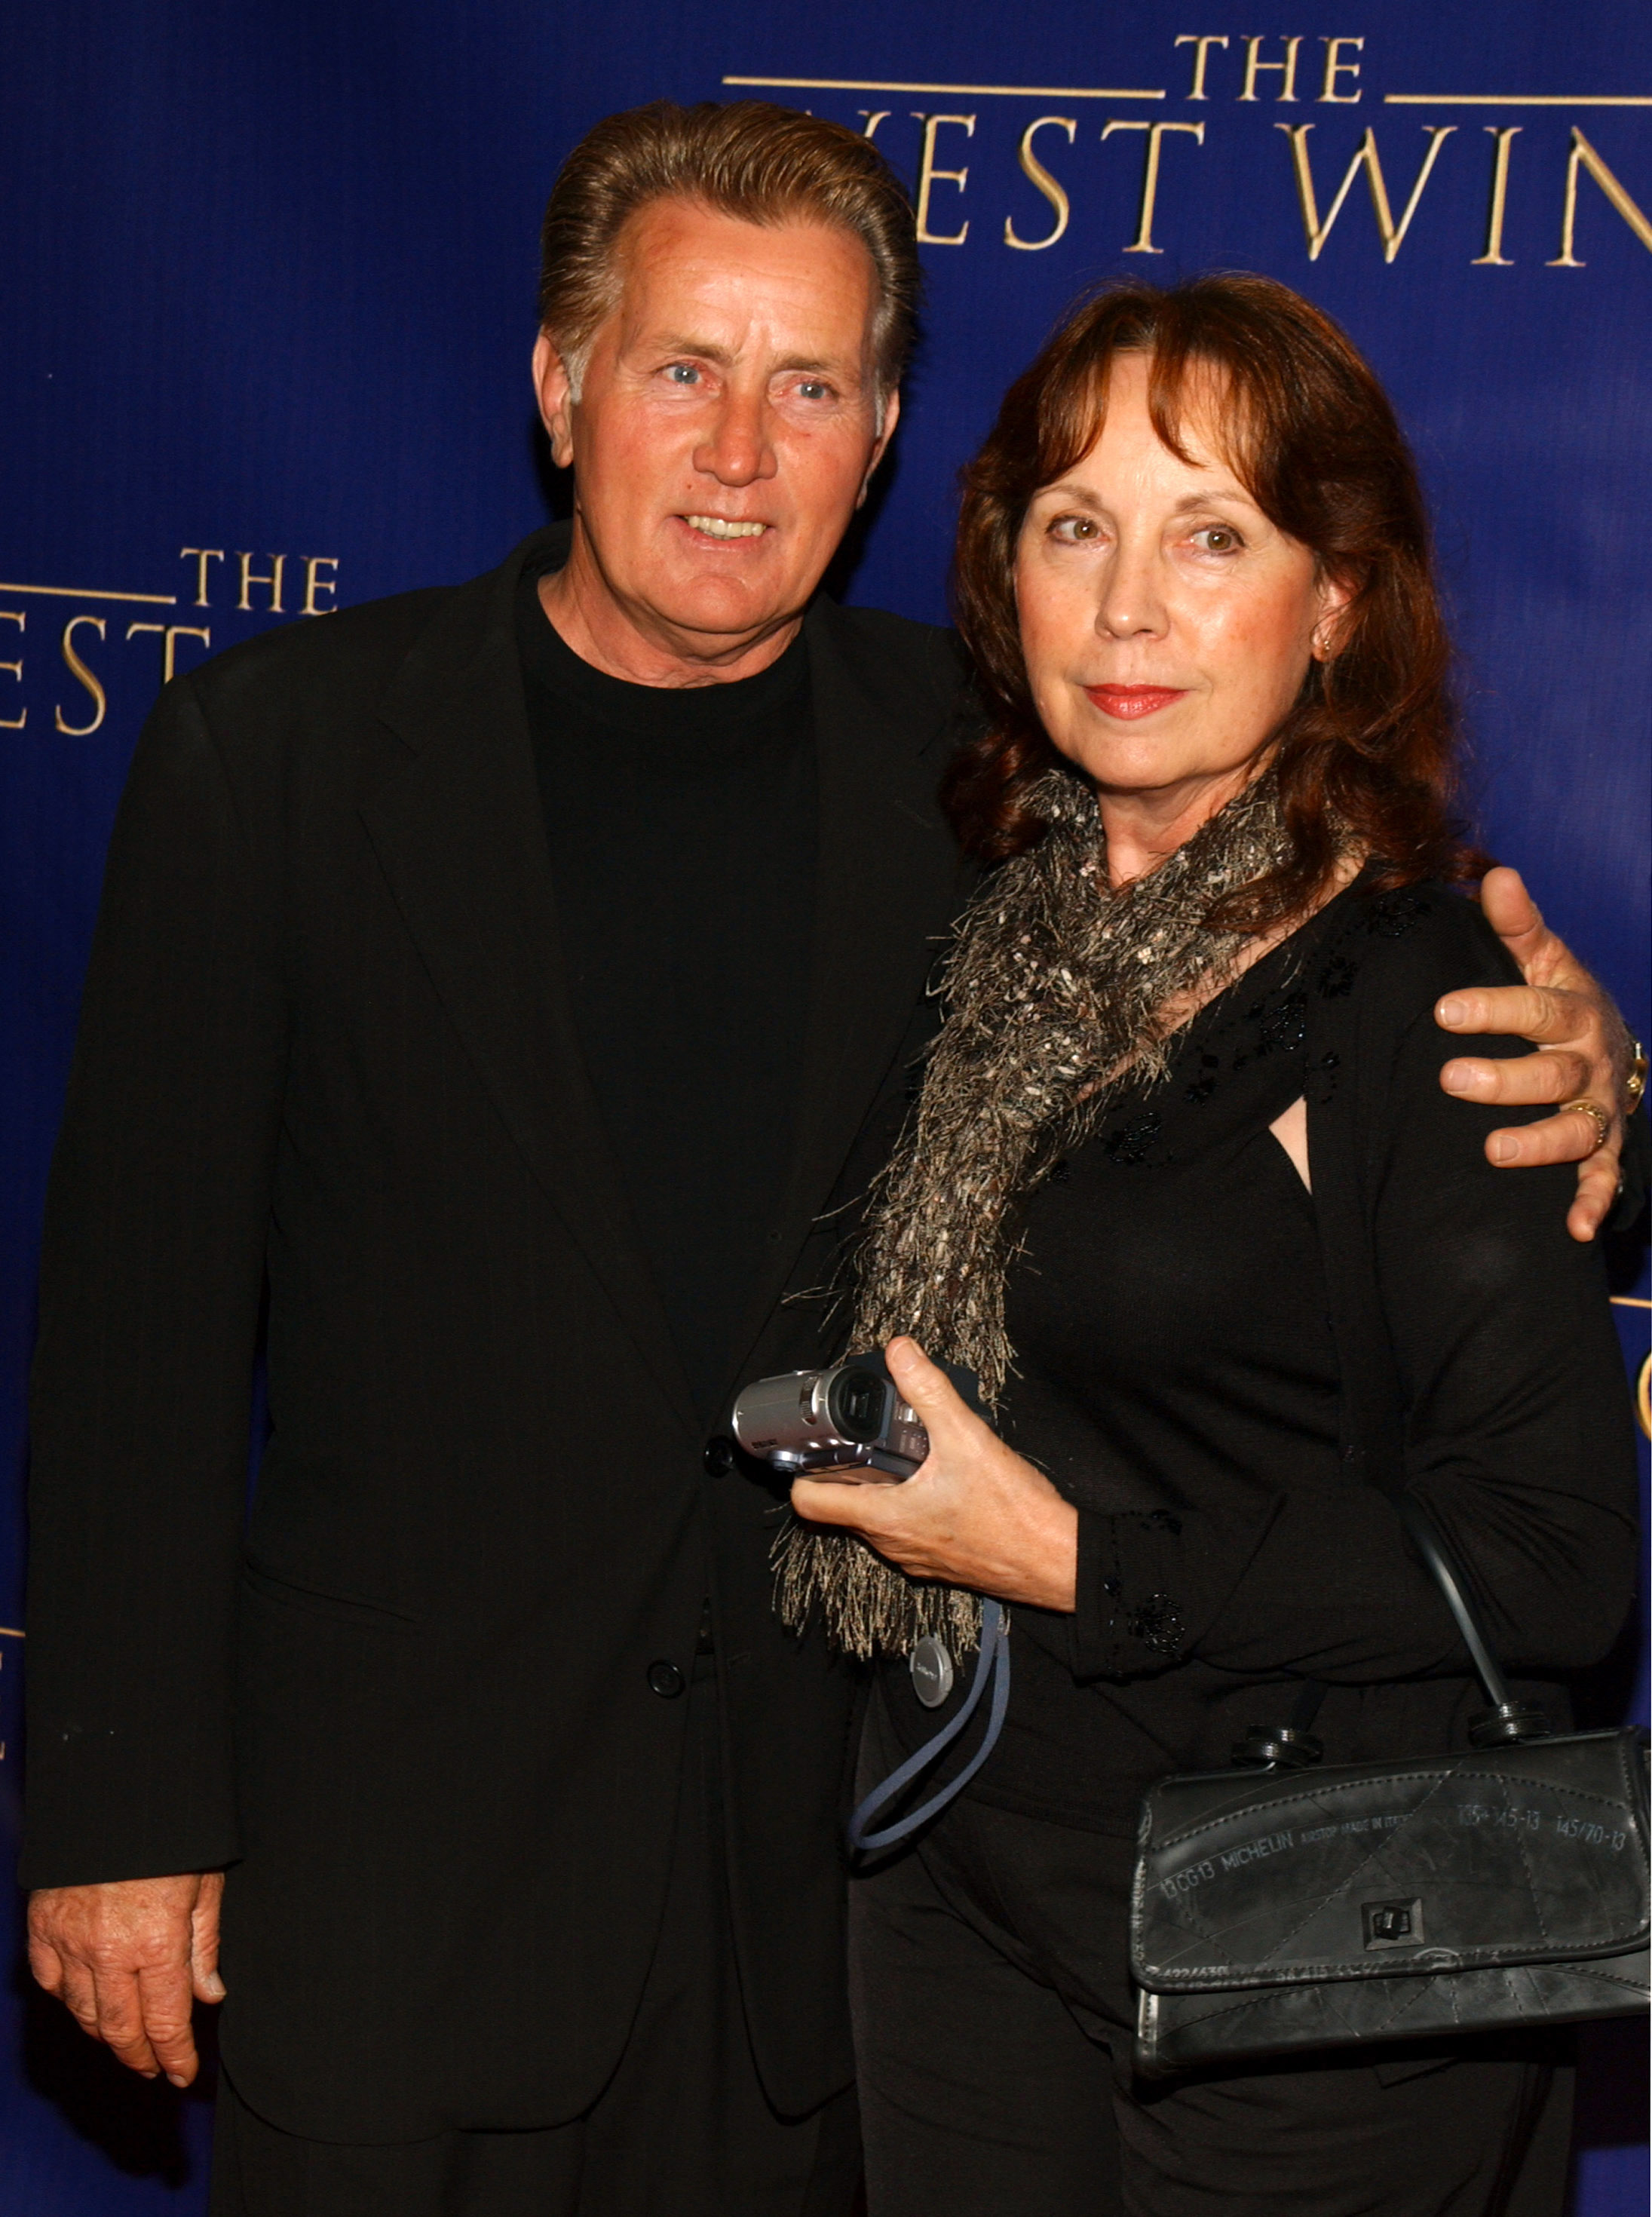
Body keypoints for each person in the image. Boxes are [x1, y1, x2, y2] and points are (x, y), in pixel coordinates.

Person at [18, 104, 1636, 2217]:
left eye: (810, 389)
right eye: (683, 369)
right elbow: (134, 1337)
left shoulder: (976, 788)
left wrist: (1595, 1061)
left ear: (879, 437)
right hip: (407, 1890)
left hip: (830, 1911)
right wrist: (115, 1810)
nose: (738, 452)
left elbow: (1321, 963)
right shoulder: (278, 757)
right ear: (556, 384)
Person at [785, 274, 1641, 2217]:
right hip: (963, 1894)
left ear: (1337, 599)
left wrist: (1069, 1560)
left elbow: (1558, 1561)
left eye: (1213, 533)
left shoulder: (1423, 999)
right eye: (1076, 527)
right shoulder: (992, 926)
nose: (1130, 606)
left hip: (1311, 1945)